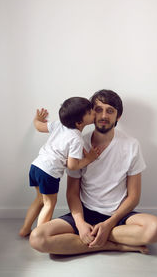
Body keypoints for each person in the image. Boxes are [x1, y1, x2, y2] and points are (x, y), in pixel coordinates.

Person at [29, 89, 157, 254]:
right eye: (98, 109)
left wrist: (109, 223)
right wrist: (80, 224)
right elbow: (72, 193)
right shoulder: (77, 143)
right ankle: (112, 244)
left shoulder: (131, 145)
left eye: (110, 111)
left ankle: (94, 236)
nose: (103, 115)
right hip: (85, 213)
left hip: (119, 216)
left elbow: (133, 196)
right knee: (37, 238)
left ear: (118, 116)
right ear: (90, 114)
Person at [19, 97, 100, 237]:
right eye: (90, 112)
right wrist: (89, 158)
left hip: (36, 166)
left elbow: (38, 126)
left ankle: (25, 230)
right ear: (79, 122)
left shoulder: (58, 125)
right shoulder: (76, 139)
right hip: (49, 172)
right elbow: (73, 166)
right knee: (49, 203)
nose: (94, 113)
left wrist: (36, 119)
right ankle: (40, 235)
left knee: (39, 199)